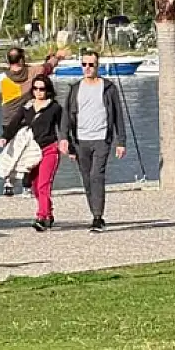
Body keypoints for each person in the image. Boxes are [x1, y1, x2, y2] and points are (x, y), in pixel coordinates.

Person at [61, 50, 128, 232]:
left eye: (91, 65)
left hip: (101, 139)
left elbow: (118, 116)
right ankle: (94, 213)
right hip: (80, 141)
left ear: (97, 66)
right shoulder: (75, 89)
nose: (88, 68)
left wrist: (121, 141)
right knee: (87, 178)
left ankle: (98, 217)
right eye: (84, 65)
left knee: (96, 175)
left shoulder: (108, 88)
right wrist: (64, 138)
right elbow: (67, 115)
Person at [0, 47, 64, 195]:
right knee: (30, 151)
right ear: (22, 59)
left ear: (8, 61)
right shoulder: (34, 72)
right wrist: (57, 57)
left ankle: (8, 182)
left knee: (11, 151)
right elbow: (48, 67)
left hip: (9, 122)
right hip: (31, 119)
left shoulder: (2, 78)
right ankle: (27, 185)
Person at [3, 74, 64, 231]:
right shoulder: (27, 107)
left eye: (42, 89)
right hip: (31, 152)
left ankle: (41, 217)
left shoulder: (55, 108)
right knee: (36, 187)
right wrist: (5, 137)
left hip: (49, 149)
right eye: (35, 88)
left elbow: (63, 127)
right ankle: (49, 214)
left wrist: (67, 144)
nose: (38, 92)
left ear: (48, 90)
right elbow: (15, 122)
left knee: (44, 184)